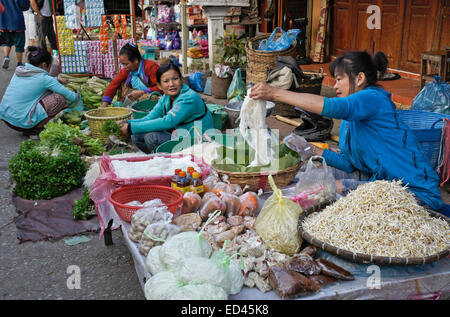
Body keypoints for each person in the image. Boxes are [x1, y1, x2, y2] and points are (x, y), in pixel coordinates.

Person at [250, 50, 450, 216]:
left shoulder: (373, 98)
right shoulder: (349, 121)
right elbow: (349, 163)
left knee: (330, 188)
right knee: (315, 176)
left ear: (360, 78)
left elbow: (331, 107)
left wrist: (275, 93)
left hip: (413, 192)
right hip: (384, 185)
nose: (335, 86)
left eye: (339, 79)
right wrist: (311, 149)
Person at [118, 62, 214, 154]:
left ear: (181, 80)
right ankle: (156, 157)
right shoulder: (166, 97)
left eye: (175, 79)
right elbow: (150, 117)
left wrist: (130, 128)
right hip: (181, 135)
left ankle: (167, 159)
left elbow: (168, 121)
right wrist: (128, 124)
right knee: (136, 135)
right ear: (159, 85)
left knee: (152, 137)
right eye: (166, 81)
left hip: (197, 140)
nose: (171, 84)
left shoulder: (189, 98)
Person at [0, 46, 80, 135]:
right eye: (50, 66)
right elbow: (72, 97)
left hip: (6, 117)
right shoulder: (44, 79)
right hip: (21, 123)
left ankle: (31, 125)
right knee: (59, 98)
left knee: (45, 93)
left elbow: (36, 81)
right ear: (44, 65)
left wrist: (57, 79)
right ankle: (35, 129)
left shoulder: (21, 71)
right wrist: (78, 94)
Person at [101, 43, 161, 107]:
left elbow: (161, 88)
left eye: (126, 64)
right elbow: (114, 84)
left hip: (154, 102)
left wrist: (143, 92)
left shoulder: (151, 67)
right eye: (122, 64)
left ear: (136, 60)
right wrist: (104, 105)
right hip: (139, 102)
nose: (124, 67)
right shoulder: (127, 70)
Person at [0, 0, 30, 69]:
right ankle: (19, 63)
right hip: (17, 21)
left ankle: (6, 57)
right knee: (19, 43)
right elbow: (25, 7)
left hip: (4, 21)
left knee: (6, 42)